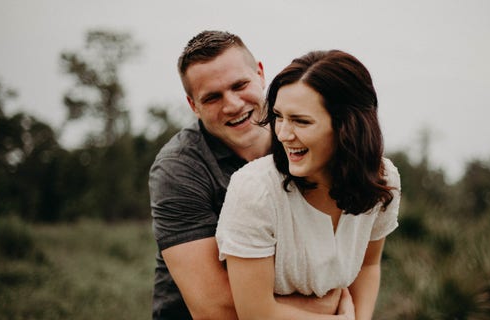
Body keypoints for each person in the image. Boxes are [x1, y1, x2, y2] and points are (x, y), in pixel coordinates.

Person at [149, 31, 346, 320]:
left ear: (261, 74)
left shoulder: (304, 138)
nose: (233, 104)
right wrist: (327, 309)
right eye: (212, 97)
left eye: (239, 85)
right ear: (194, 106)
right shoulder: (179, 169)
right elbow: (213, 309)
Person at [216, 49, 402, 320]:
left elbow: (368, 265)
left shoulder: (382, 180)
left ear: (348, 127)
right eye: (279, 116)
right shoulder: (254, 189)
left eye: (301, 121)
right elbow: (255, 314)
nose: (282, 133)